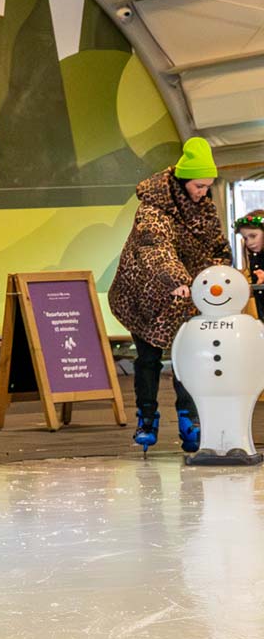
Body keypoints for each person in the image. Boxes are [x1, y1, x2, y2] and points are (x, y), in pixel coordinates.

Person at [108, 137, 230, 454]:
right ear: (184, 180)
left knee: (187, 360)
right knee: (148, 359)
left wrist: (221, 276)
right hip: (145, 293)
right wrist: (175, 278)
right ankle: (147, 419)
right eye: (200, 186)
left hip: (185, 297)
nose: (204, 192)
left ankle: (189, 420)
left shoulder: (203, 208)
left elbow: (217, 248)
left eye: (208, 186)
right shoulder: (153, 209)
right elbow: (154, 245)